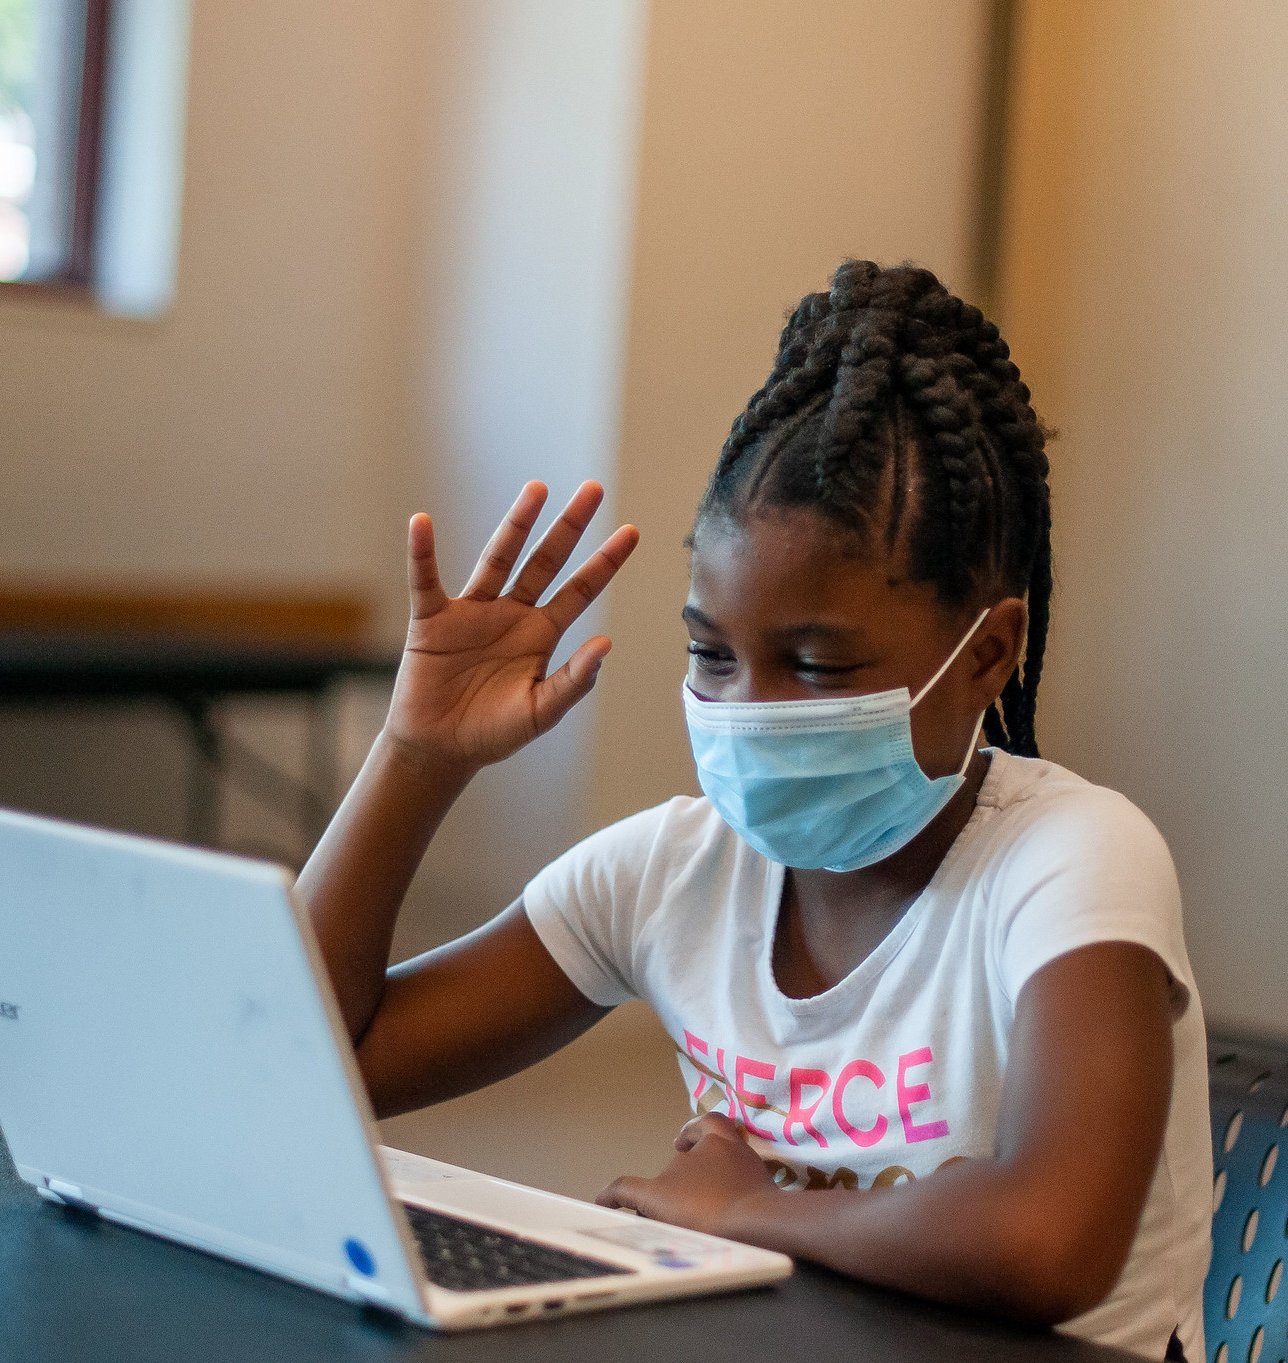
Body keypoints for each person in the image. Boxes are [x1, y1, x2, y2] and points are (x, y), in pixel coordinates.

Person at [300, 261, 1211, 1361]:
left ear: (985, 656)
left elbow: (1047, 1241)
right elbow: (303, 1062)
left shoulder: (1072, 859)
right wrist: (414, 758)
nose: (749, 711)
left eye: (816, 667)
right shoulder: (671, 872)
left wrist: (743, 1210)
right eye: (710, 655)